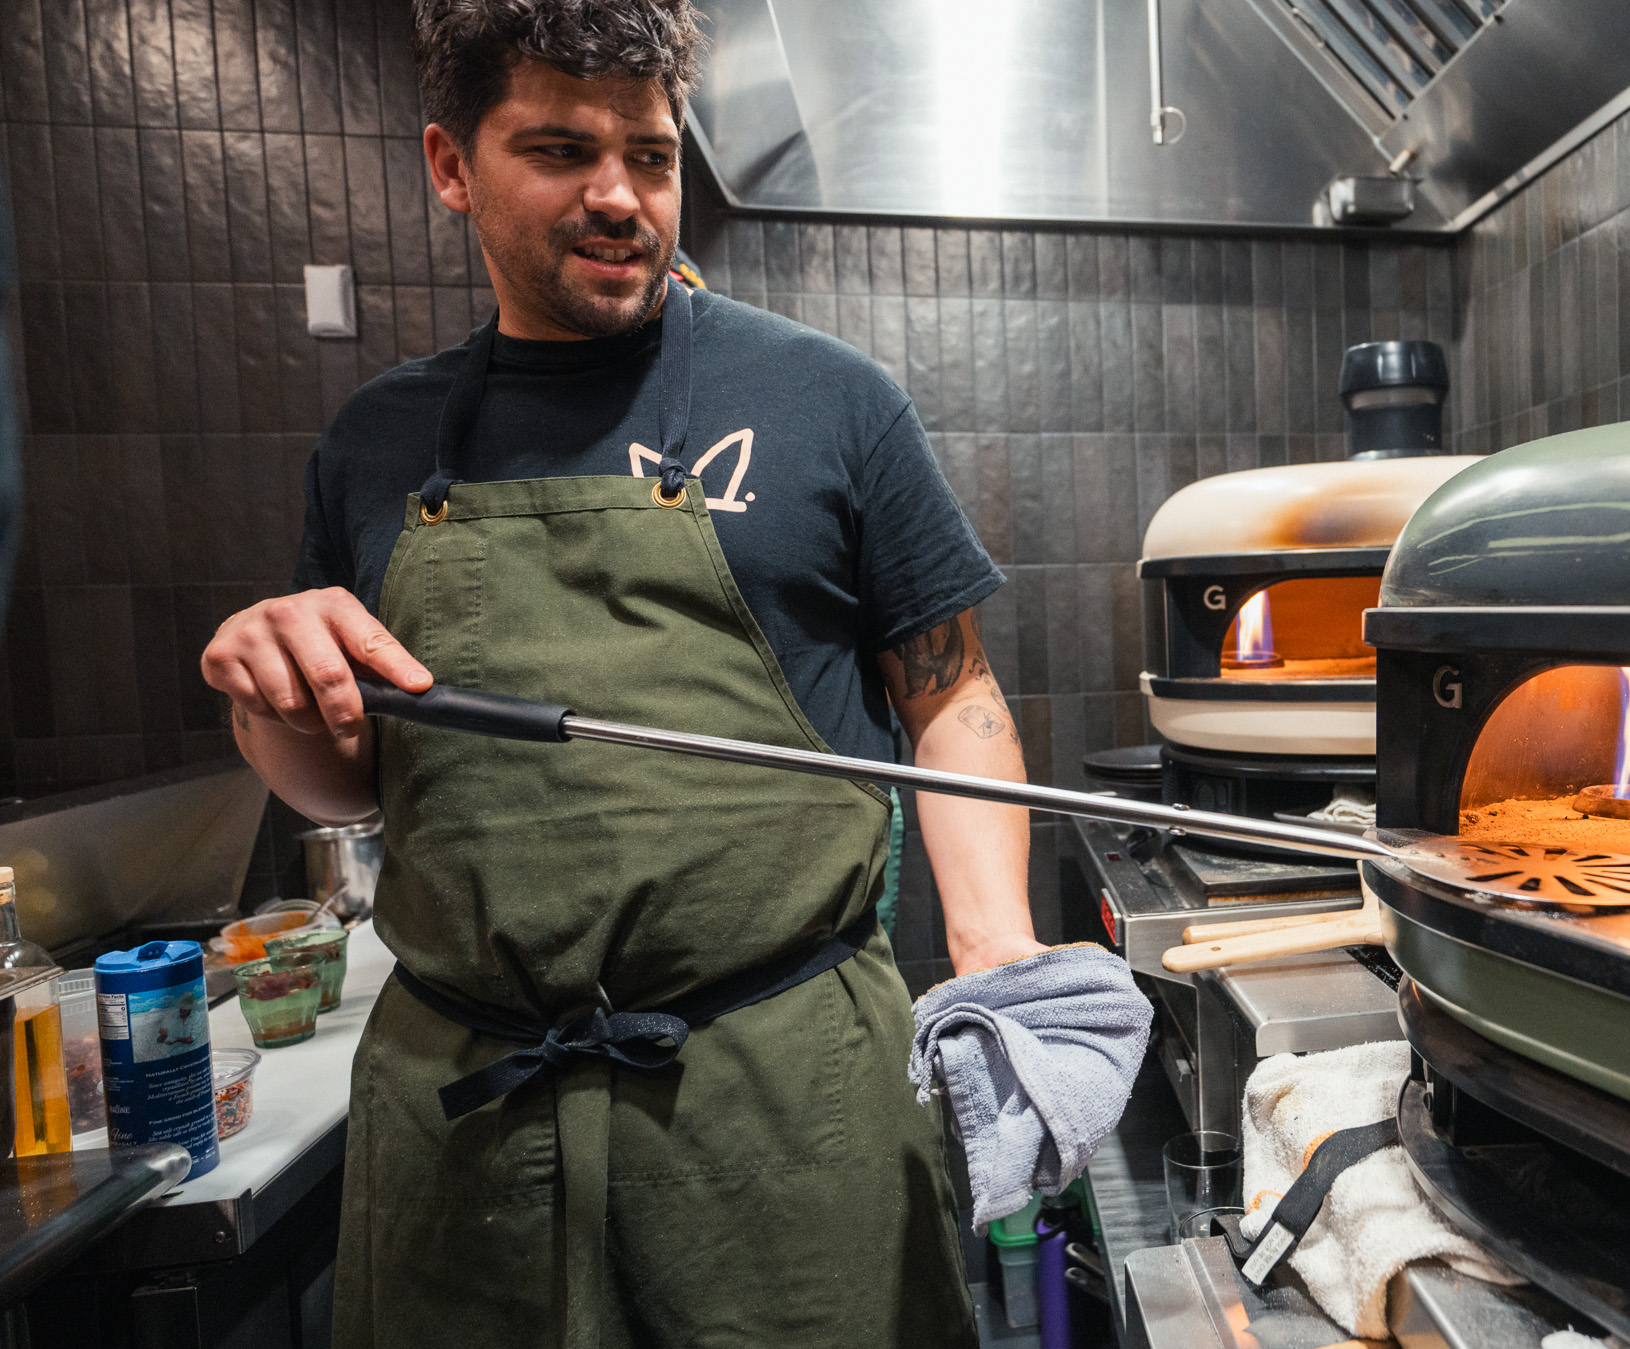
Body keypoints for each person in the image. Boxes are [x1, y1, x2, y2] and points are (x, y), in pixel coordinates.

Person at [199, 0, 1033, 1342]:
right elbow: (342, 784)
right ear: (450, 163)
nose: (620, 198)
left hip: (780, 1110)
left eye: (649, 155)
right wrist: (267, 705)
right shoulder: (377, 443)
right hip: (469, 1131)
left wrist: (997, 961)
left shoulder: (831, 401)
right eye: (559, 150)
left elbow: (954, 695)